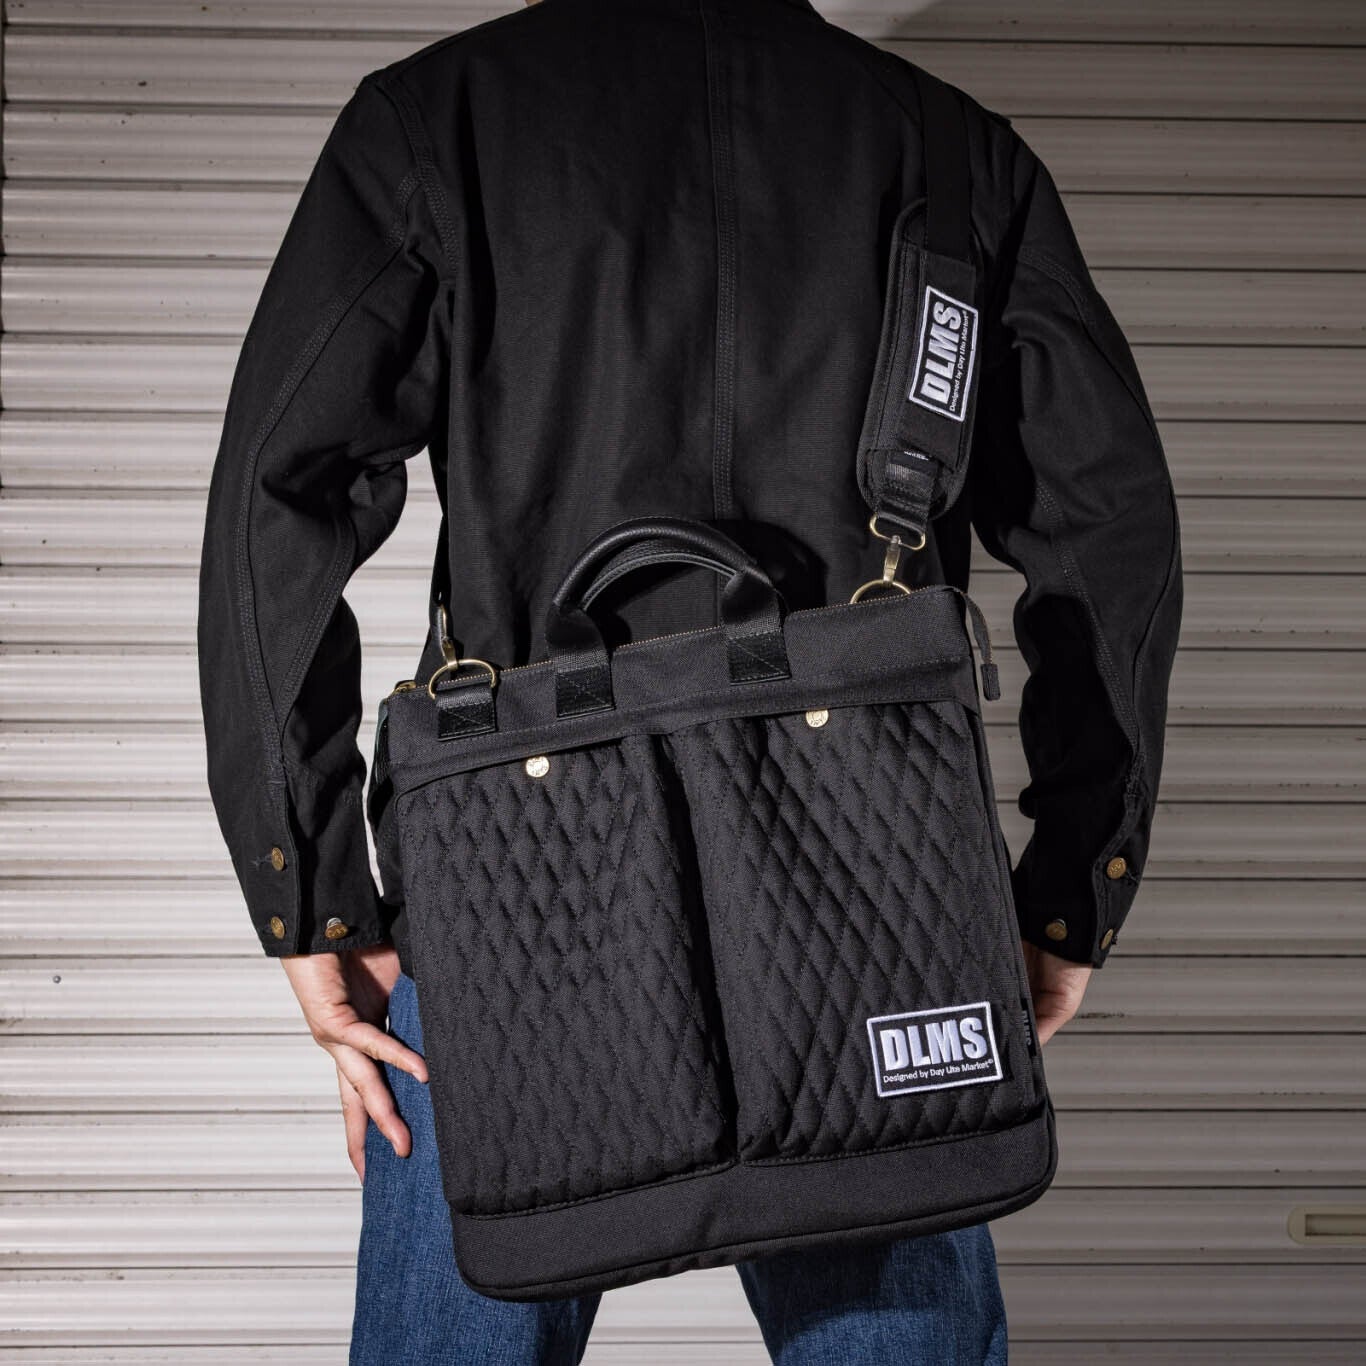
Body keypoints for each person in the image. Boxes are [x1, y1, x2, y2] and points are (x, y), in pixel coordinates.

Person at [196, 0, 1183, 1360]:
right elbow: (1108, 534)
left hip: (512, 884)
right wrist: (1072, 890)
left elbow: (273, 503)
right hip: (875, 887)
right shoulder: (951, 154)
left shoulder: (437, 123)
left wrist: (309, 893)